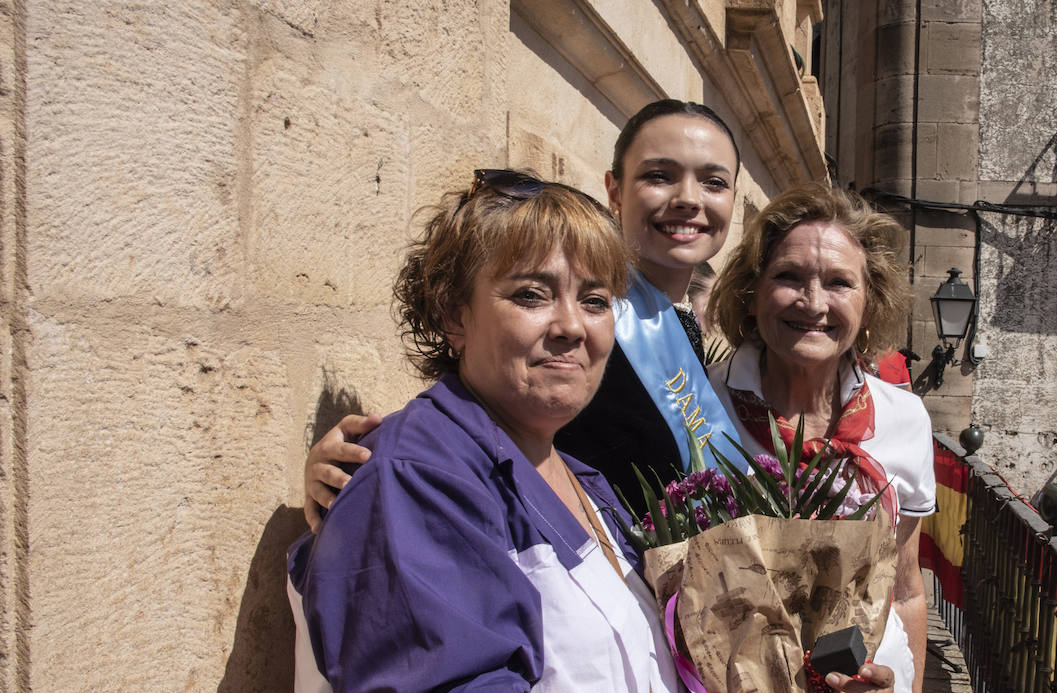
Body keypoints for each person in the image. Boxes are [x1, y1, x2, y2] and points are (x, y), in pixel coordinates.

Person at [277, 172, 889, 693]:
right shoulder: (419, 474)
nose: (572, 324)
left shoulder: (580, 474)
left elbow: (620, 689)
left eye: (596, 300)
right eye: (532, 294)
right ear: (452, 315)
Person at [302, 100, 745, 526]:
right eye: (659, 175)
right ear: (614, 190)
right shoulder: (584, 325)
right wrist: (368, 461)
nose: (689, 198)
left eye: (714, 182)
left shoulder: (679, 323)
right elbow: (483, 407)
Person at [706, 183, 936, 693]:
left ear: (867, 303)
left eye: (839, 282)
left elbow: (906, 589)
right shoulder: (702, 406)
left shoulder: (902, 421)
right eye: (790, 277)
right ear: (752, 290)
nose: (814, 300)